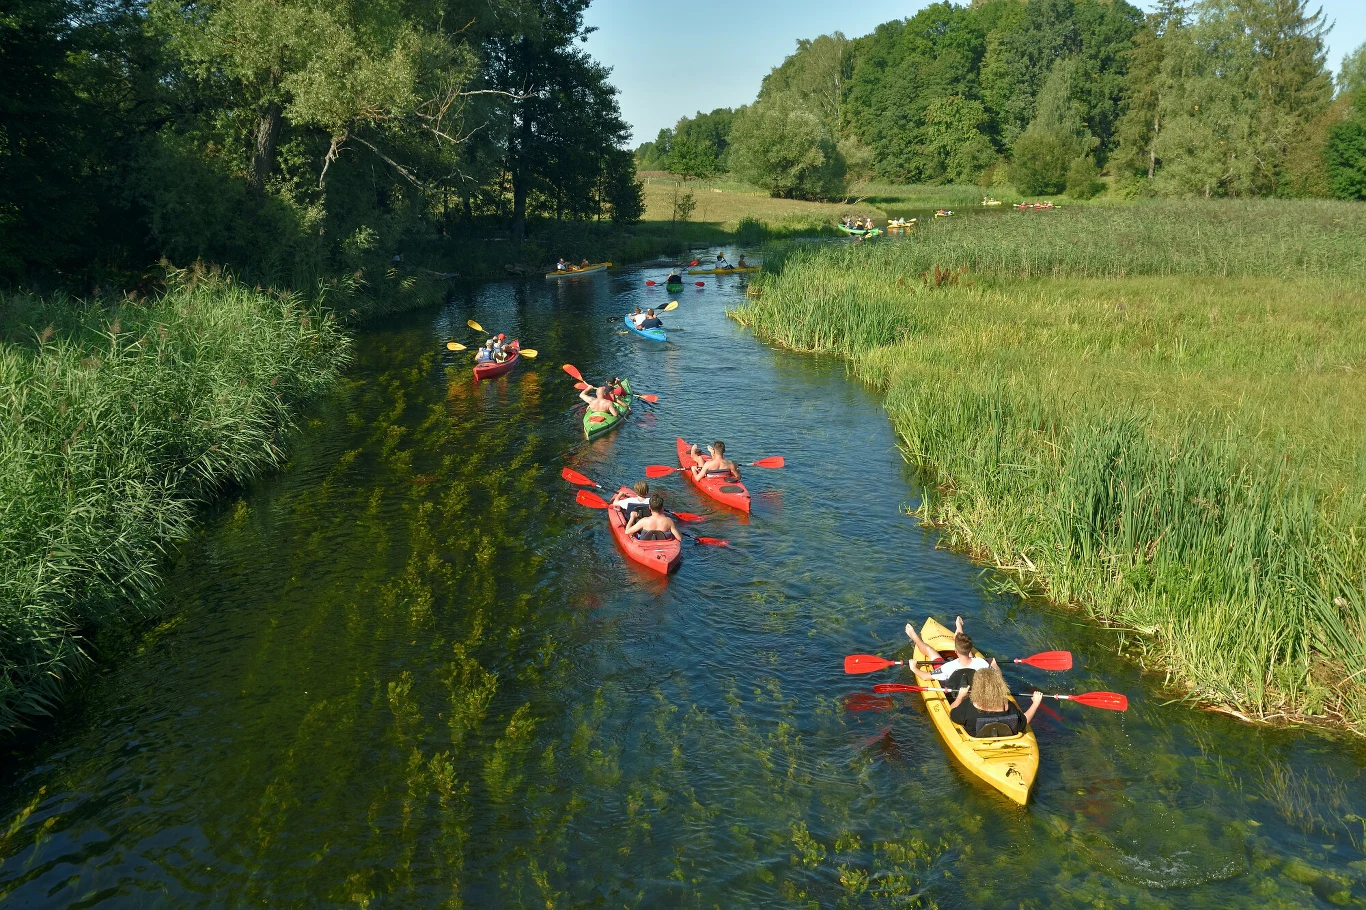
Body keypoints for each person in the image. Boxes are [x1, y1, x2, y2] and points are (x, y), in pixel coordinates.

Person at [947, 663, 1044, 738]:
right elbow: (1024, 721)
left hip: (977, 743)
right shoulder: (1007, 706)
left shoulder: (969, 706)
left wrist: (960, 696)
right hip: (1006, 741)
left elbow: (952, 714)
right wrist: (1035, 703)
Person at [904, 616, 989, 690]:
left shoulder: (948, 667)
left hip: (950, 687)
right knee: (970, 655)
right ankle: (959, 629)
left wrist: (914, 668)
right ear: (971, 648)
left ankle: (914, 637)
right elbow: (996, 674)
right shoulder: (981, 663)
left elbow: (925, 677)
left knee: (929, 650)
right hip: (971, 685)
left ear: (955, 651)